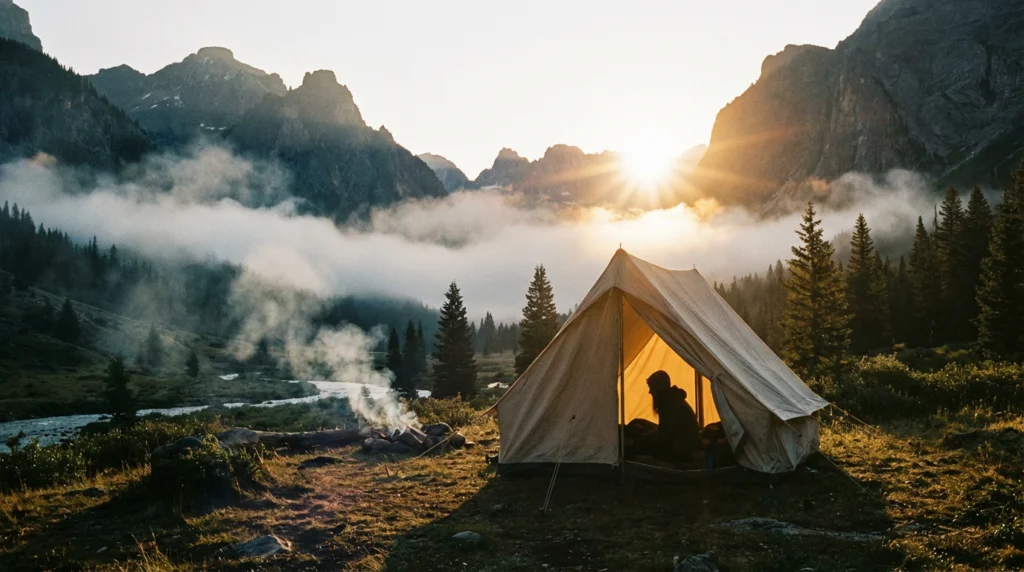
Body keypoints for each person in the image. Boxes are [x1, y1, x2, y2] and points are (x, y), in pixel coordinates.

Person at [646, 370, 701, 462]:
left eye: (651, 387)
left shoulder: (668, 404)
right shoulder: (672, 399)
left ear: (659, 388)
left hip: (682, 451)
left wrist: (643, 439)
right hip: (684, 446)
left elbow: (665, 436)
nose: (650, 392)